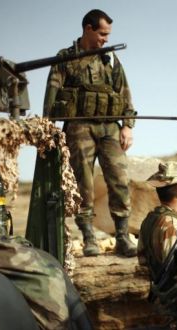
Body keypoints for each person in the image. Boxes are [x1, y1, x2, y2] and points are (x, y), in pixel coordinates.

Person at [43, 9, 137, 257]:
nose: (105, 39)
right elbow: (51, 96)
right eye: (102, 34)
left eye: (108, 35)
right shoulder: (65, 58)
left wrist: (127, 125)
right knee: (83, 184)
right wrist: (49, 129)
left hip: (109, 127)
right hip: (79, 127)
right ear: (88, 29)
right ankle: (88, 238)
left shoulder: (111, 59)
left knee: (120, 180)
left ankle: (122, 237)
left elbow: (125, 92)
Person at [137, 161, 177, 281]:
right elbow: (175, 269)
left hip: (158, 290)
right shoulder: (172, 225)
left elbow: (142, 261)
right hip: (172, 295)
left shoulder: (149, 219)